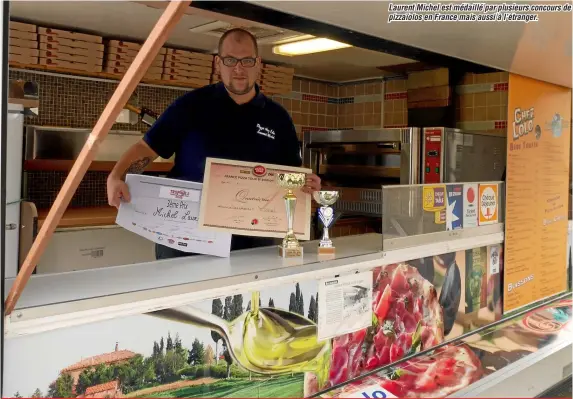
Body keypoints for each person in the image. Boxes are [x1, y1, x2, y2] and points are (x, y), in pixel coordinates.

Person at [107, 28, 321, 260]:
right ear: (218, 64)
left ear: (258, 64)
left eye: (246, 60)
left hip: (251, 243)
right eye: (230, 60)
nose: (238, 69)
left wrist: (306, 183)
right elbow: (147, 148)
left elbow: (289, 174)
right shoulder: (190, 106)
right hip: (184, 240)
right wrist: (117, 176)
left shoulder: (278, 118)